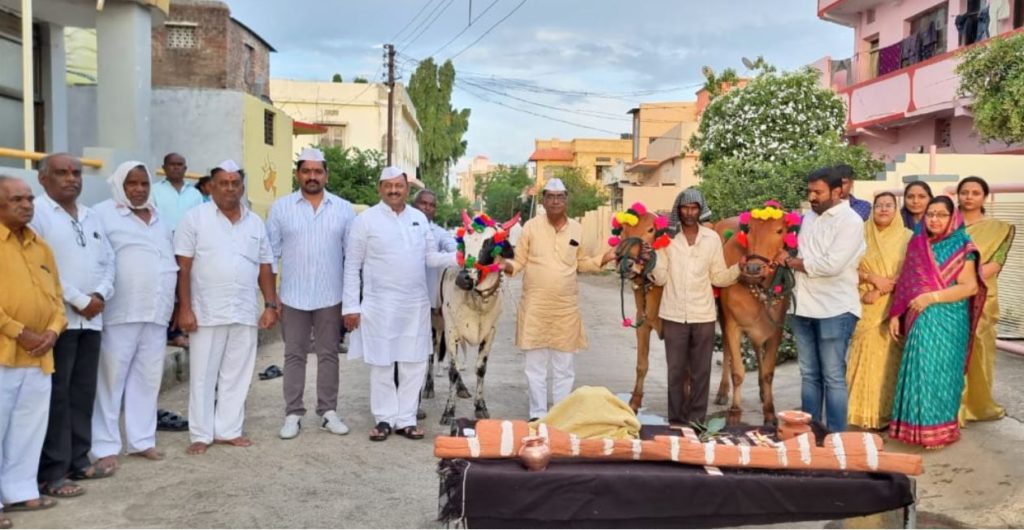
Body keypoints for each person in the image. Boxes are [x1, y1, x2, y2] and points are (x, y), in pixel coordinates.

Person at [342, 166, 456, 442]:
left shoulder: (419, 218)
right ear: (380, 189)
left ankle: (406, 419)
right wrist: (350, 307)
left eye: (399, 186)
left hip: (414, 304)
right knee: (381, 362)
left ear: (407, 189)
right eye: (388, 186)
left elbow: (430, 257)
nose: (394, 190)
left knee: (413, 361)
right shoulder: (365, 220)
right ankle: (384, 418)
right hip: (378, 304)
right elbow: (352, 265)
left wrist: (460, 258)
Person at [174, 160, 278, 455]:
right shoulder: (194, 219)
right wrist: (185, 308)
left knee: (237, 373)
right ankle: (200, 433)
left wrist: (270, 305)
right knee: (204, 374)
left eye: (235, 183)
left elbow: (265, 267)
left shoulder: (255, 222)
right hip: (205, 311)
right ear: (211, 186)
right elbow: (183, 267)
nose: (230, 188)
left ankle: (228, 429)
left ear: (242, 187)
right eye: (223, 183)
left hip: (244, 310)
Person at [30, 154, 116, 497]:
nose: (71, 179)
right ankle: (53, 472)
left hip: (92, 320)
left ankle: (79, 460)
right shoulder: (36, 214)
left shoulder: (91, 214)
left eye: (76, 173)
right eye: (62, 173)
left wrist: (101, 293)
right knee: (57, 396)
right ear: (44, 179)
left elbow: (109, 260)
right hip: (59, 321)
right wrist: (80, 300)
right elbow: (41, 269)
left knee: (83, 393)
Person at [503, 178, 616, 420]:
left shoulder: (577, 229)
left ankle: (559, 415)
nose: (555, 201)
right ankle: (538, 414)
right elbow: (519, 261)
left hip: (565, 308)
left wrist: (604, 258)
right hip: (535, 306)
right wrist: (504, 266)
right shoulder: (531, 227)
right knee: (535, 367)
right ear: (543, 200)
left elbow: (582, 262)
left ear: (566, 200)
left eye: (560, 197)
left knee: (564, 367)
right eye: (550, 196)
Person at [91, 161, 178, 469]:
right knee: (111, 380)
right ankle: (105, 446)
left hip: (156, 311)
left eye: (144, 184)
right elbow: (98, 260)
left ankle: (142, 441)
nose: (139, 189)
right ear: (119, 185)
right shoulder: (101, 214)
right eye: (132, 184)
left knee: (147, 378)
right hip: (120, 311)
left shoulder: (158, 217)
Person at [267, 148, 355, 439]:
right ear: (298, 174)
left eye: (318, 171)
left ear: (326, 175)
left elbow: (352, 258)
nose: (312, 176)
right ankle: (293, 413)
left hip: (331, 295)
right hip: (293, 296)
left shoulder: (344, 209)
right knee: (294, 355)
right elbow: (271, 255)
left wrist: (352, 301)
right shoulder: (281, 208)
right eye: (307, 171)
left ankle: (328, 411)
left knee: (329, 354)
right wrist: (273, 298)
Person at [888, 196, 984, 448]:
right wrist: (896, 315)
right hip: (919, 319)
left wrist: (931, 297)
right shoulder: (917, 244)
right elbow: (906, 284)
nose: (934, 219)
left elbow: (970, 287)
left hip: (948, 320)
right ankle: (915, 431)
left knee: (941, 375)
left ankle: (940, 431)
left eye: (941, 214)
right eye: (931, 214)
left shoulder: (961, 244)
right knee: (919, 372)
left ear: (953, 217)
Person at [776, 167, 866, 433]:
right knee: (809, 375)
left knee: (833, 376)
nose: (812, 196)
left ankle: (836, 436)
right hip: (803, 307)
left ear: (838, 191)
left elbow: (831, 265)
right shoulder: (808, 218)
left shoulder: (850, 221)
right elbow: (800, 252)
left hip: (835, 309)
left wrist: (791, 261)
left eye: (818, 192)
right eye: (810, 191)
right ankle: (808, 431)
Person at [0, 175, 66, 519]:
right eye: (16, 199)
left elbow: (56, 297)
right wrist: (19, 332)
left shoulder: (41, 246)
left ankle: (21, 490)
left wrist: (53, 332)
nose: (27, 205)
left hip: (40, 353)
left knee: (28, 426)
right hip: (5, 352)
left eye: (29, 199)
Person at [649, 188, 739, 425]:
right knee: (676, 372)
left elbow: (718, 276)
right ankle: (676, 421)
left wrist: (740, 268)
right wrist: (649, 263)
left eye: (694, 208)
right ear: (678, 210)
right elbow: (660, 277)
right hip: (673, 314)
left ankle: (697, 421)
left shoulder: (711, 239)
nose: (689, 213)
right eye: (685, 208)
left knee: (702, 372)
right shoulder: (666, 238)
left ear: (700, 210)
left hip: (703, 315)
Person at [846, 192, 912, 431]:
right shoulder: (859, 233)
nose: (883, 210)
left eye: (889, 205)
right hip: (862, 301)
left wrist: (881, 290)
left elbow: (910, 271)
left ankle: (884, 414)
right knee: (861, 356)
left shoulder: (908, 237)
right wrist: (871, 278)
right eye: (878, 206)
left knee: (887, 360)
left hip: (893, 305)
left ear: (897, 210)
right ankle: (858, 412)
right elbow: (846, 265)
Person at [957, 176, 1014, 424]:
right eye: (964, 192)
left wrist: (967, 279)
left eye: (975, 192)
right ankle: (952, 406)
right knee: (952, 351)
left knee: (979, 350)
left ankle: (977, 405)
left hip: (983, 296)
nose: (969, 197)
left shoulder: (999, 228)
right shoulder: (946, 223)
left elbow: (997, 263)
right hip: (948, 296)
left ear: (985, 197)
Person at [152, 153, 203, 230]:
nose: (176, 167)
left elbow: (199, 219)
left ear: (185, 168)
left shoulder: (195, 193)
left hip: (189, 240)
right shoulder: (153, 190)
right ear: (164, 168)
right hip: (160, 239)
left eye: (179, 165)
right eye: (172, 164)